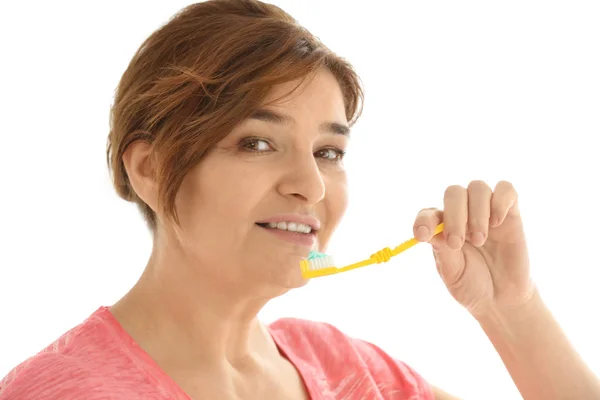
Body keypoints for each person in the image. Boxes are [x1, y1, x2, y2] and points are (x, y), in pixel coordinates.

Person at [1, 1, 598, 399]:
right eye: (257, 142)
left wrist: (511, 311)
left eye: (329, 152)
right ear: (151, 169)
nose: (310, 186)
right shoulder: (63, 391)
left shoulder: (347, 370)